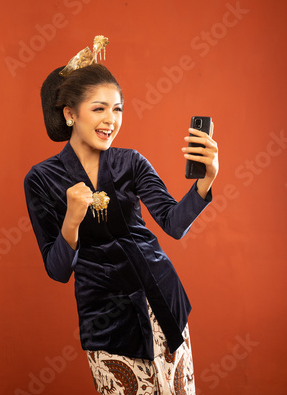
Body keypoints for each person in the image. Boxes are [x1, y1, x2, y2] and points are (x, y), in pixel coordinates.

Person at [24, 35, 219, 395]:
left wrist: (206, 181)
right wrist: (72, 219)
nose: (111, 120)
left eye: (117, 110)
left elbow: (173, 224)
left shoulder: (131, 161)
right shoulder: (42, 178)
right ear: (70, 114)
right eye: (99, 109)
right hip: (108, 320)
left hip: (163, 299)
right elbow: (57, 270)